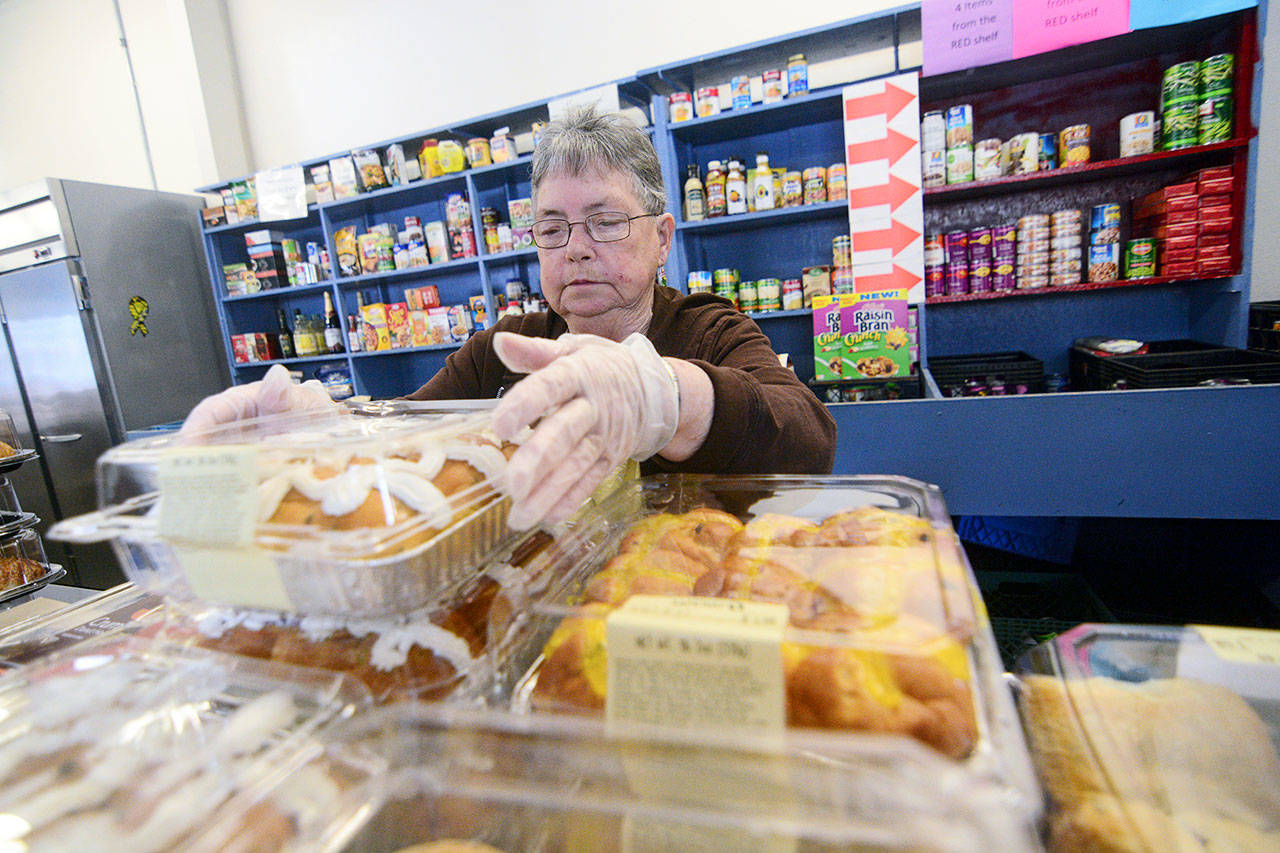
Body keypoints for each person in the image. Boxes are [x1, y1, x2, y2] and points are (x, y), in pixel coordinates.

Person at [184, 106, 835, 528]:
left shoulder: (705, 327)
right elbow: (406, 433)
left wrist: (665, 398)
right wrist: (321, 430)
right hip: (540, 603)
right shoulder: (512, 345)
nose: (576, 246)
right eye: (552, 227)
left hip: (684, 596)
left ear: (662, 236)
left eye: (605, 221)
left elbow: (810, 440)